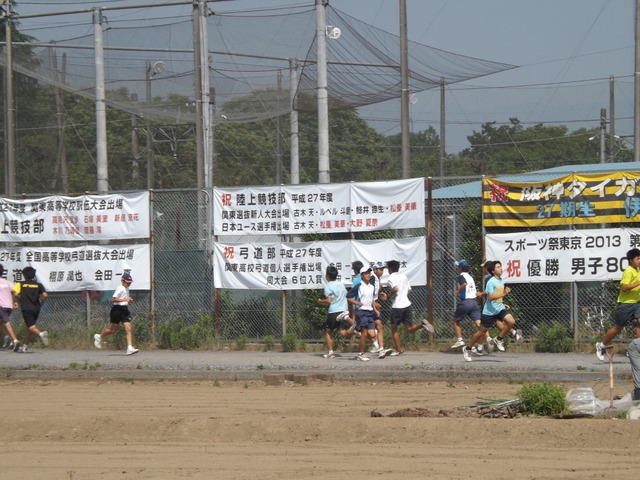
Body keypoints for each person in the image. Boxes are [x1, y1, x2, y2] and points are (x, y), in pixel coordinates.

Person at [463, 260, 516, 362]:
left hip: (499, 308)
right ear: (493, 270)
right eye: (498, 267)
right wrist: (504, 294)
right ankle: (468, 348)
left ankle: (498, 339)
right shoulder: (490, 281)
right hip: (489, 311)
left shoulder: (501, 280)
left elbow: (497, 296)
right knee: (481, 332)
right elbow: (491, 297)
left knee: (511, 322)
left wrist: (502, 303)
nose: (501, 268)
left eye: (501, 266)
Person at [596, 248, 640, 362]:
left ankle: (636, 349)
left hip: (637, 303)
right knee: (618, 328)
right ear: (631, 260)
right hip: (626, 304)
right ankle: (602, 345)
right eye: (637, 258)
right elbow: (624, 288)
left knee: (639, 324)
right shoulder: (629, 271)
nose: (639, 260)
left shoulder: (638, 271)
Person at [380, 260, 432, 356]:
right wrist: (403, 296)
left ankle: (398, 349)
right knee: (409, 328)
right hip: (407, 305)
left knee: (394, 329)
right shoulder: (404, 276)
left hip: (397, 307)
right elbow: (410, 290)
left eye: (388, 268)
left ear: (390, 269)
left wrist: (388, 296)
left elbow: (395, 289)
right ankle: (422, 325)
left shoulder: (391, 278)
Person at [93, 273, 139, 355]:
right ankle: (99, 336)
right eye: (127, 282)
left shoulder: (126, 288)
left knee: (128, 329)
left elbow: (124, 299)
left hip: (124, 310)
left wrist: (128, 300)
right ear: (122, 280)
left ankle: (129, 348)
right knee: (112, 330)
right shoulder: (120, 288)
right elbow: (113, 299)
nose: (129, 284)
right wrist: (125, 299)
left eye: (130, 282)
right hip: (117, 310)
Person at [317, 265, 356, 358]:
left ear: (327, 276)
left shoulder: (328, 286)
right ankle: (356, 331)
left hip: (334, 311)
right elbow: (346, 295)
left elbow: (329, 300)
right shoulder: (341, 284)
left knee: (328, 331)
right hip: (344, 309)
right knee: (343, 333)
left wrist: (320, 301)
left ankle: (331, 352)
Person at [450, 259, 484, 355]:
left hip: (466, 302)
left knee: (456, 320)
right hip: (474, 302)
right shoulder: (470, 277)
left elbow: (464, 284)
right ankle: (484, 343)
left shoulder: (461, 276)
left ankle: (460, 340)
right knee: (480, 325)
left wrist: (457, 291)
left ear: (460, 268)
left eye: (458, 266)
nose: (457, 268)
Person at [12, 266, 49, 353]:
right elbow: (45, 295)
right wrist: (41, 303)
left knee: (31, 326)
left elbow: (15, 294)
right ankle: (25, 346)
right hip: (36, 308)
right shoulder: (38, 285)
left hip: (26, 308)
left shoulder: (20, 284)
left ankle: (41, 334)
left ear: (24, 275)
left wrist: (19, 302)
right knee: (29, 327)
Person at [347, 268, 379, 361]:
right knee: (364, 334)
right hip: (361, 311)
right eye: (366, 273)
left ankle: (356, 326)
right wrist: (357, 303)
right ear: (362, 275)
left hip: (369, 312)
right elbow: (348, 297)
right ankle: (360, 354)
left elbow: (371, 300)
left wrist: (375, 309)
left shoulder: (371, 287)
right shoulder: (359, 286)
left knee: (372, 334)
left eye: (369, 273)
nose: (368, 275)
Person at [370, 261, 393, 359]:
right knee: (368, 330)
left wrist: (380, 294)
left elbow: (374, 292)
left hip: (374, 304)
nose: (382, 271)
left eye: (383, 269)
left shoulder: (377, 279)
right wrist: (373, 304)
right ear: (374, 270)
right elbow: (367, 293)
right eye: (380, 269)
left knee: (379, 326)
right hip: (369, 306)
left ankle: (381, 349)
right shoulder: (372, 278)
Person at [0, 264, 21, 352]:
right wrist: (15, 302)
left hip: (1, 306)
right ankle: (7, 337)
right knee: (2, 322)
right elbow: (14, 292)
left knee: (5, 322)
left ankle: (14, 340)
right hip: (8, 306)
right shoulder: (8, 283)